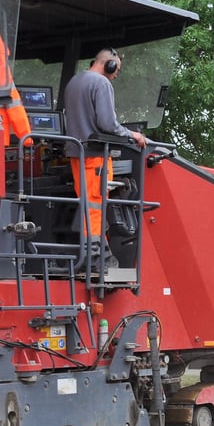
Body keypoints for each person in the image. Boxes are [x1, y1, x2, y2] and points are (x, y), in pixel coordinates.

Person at [63, 48, 146, 270]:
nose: (116, 74)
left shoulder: (74, 82)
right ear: (108, 64)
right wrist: (133, 135)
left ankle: (92, 257)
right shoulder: (101, 84)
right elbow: (108, 124)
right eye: (116, 69)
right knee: (96, 207)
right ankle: (99, 262)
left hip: (76, 154)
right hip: (95, 155)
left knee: (87, 205)